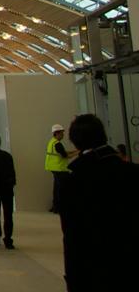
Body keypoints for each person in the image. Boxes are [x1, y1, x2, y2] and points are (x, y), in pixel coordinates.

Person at [60, 114, 139, 291]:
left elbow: (72, 237)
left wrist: (72, 277)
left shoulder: (72, 183)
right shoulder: (132, 173)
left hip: (91, 268)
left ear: (75, 142)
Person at [46, 124, 76, 213]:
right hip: (59, 168)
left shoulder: (52, 142)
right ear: (57, 133)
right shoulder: (57, 144)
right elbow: (65, 155)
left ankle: (55, 206)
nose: (63, 135)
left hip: (53, 167)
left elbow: (63, 152)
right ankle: (59, 207)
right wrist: (78, 153)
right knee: (61, 189)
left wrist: (75, 151)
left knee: (56, 188)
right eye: (62, 133)